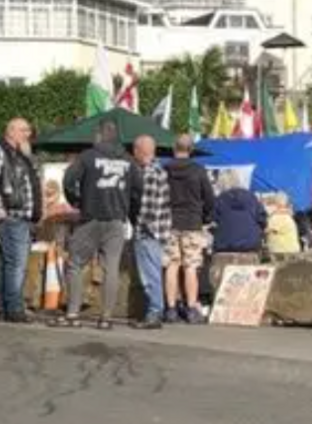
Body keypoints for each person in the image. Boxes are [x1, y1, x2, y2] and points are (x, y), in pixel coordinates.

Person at [55, 119, 141, 330]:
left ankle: (73, 313)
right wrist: (131, 215)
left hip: (90, 218)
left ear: (99, 135)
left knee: (75, 263)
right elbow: (137, 192)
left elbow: (68, 180)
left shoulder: (87, 157)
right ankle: (106, 318)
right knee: (111, 268)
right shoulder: (130, 162)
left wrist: (76, 201)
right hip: (116, 221)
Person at [0, 118, 39, 324]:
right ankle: (14, 308)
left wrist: (28, 156)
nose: (28, 134)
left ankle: (6, 307)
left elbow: (32, 182)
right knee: (17, 264)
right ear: (11, 131)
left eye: (28, 131)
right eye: (24, 130)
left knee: (10, 263)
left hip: (21, 216)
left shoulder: (20, 155)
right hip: (12, 216)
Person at [163, 134, 216, 324]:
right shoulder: (198, 170)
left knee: (171, 265)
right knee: (191, 266)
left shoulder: (165, 169)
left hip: (169, 222)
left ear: (173, 148)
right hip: (192, 222)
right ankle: (191, 308)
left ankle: (170, 308)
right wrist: (205, 217)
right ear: (191, 149)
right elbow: (209, 198)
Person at [130, 135, 171, 330]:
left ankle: (154, 313)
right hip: (159, 230)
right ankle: (154, 311)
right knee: (153, 273)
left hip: (148, 232)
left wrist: (139, 227)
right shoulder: (159, 169)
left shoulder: (148, 173)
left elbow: (146, 207)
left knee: (149, 276)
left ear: (139, 151)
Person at [211, 172, 268, 256]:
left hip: (225, 246)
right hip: (251, 245)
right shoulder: (251, 197)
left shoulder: (220, 199)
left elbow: (213, 219)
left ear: (222, 183)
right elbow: (262, 219)